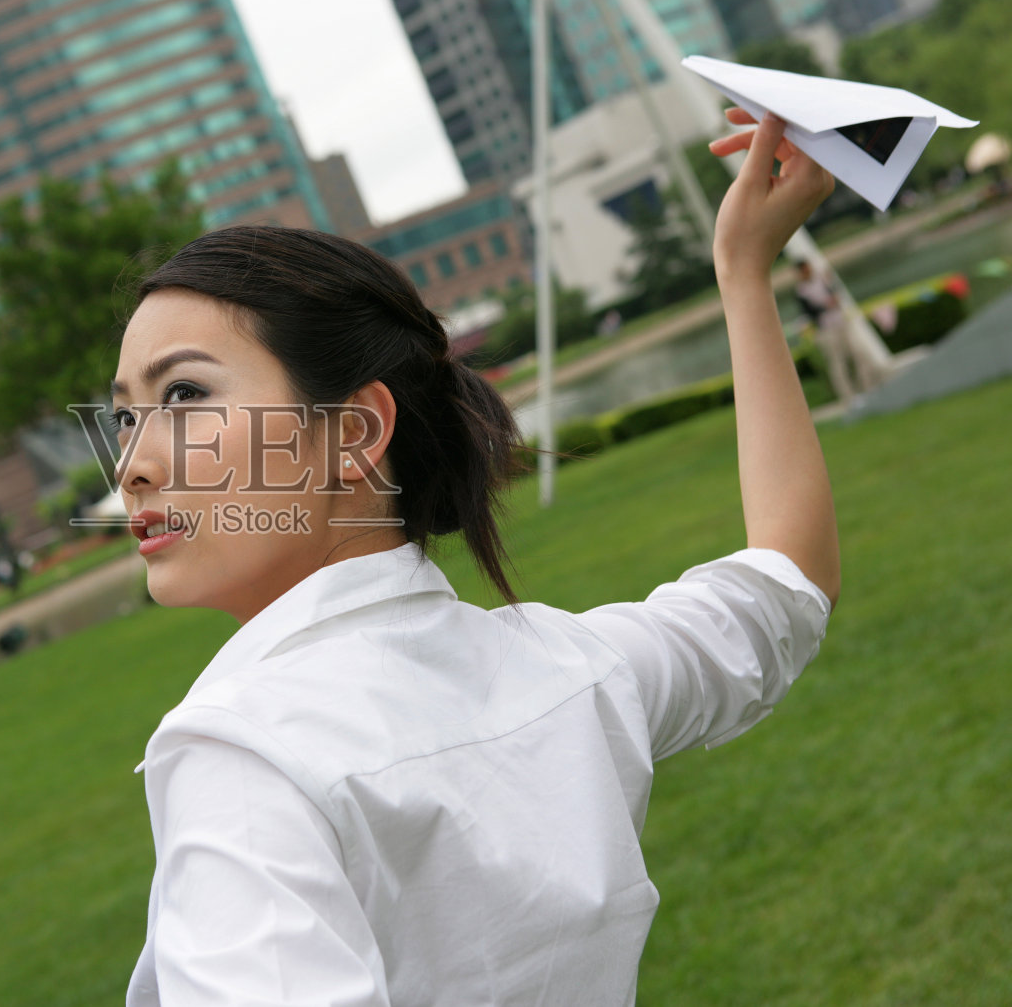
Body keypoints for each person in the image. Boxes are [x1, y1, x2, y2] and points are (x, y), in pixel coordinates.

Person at [112, 110, 841, 1006]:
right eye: (125, 414)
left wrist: (744, 269)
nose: (132, 464)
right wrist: (744, 275)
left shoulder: (245, 752)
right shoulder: (569, 670)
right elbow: (789, 587)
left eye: (184, 395)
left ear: (357, 430)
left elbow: (782, 592)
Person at [794, 257, 871, 403]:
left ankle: (867, 386)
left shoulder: (822, 280)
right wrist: (825, 306)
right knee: (837, 363)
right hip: (826, 330)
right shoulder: (801, 292)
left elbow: (835, 293)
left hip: (840, 322)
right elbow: (809, 313)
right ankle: (848, 397)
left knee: (857, 352)